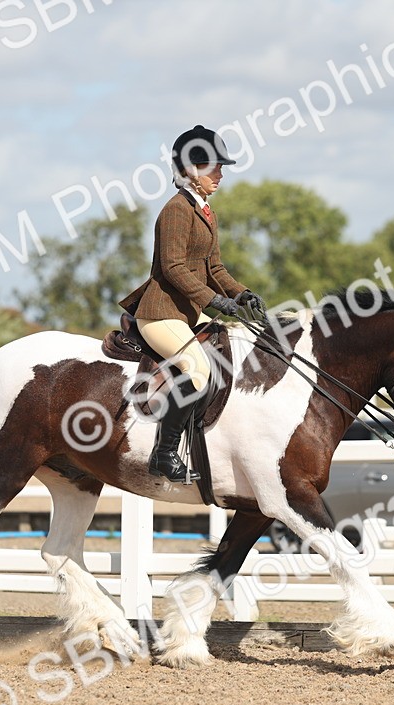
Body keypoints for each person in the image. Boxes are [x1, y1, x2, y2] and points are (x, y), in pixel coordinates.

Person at [119, 125, 266, 482]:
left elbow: (213, 267)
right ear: (188, 170)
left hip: (185, 313)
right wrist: (212, 300)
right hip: (160, 313)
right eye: (213, 167)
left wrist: (239, 293)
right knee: (198, 371)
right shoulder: (176, 210)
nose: (220, 174)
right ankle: (164, 454)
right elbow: (171, 268)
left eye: (220, 167)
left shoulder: (204, 210)